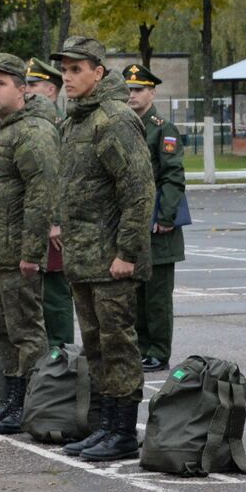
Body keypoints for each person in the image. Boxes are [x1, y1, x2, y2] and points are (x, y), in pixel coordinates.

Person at [49, 36, 155, 461]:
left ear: (98, 72)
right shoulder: (74, 121)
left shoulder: (114, 119)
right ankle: (106, 424)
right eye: (65, 70)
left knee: (118, 344)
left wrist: (127, 252)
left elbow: (138, 190)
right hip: (84, 258)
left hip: (112, 259)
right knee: (95, 346)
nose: (68, 78)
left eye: (77, 70)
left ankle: (123, 431)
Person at [0, 53, 59, 432]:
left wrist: (31, 253)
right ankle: (12, 398)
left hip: (15, 252)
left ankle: (34, 401)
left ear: (22, 89)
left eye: (1, 84)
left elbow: (41, 195)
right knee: (4, 331)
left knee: (26, 331)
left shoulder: (32, 131)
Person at [123, 63, 187, 371]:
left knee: (157, 296)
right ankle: (140, 346)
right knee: (136, 294)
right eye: (129, 90)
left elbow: (173, 176)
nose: (132, 95)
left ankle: (159, 351)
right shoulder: (125, 124)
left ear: (152, 92)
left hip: (159, 225)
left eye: (138, 90)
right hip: (134, 224)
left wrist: (165, 217)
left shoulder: (162, 128)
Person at [27, 56, 75, 347]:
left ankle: (61, 353)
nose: (27, 89)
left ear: (51, 91)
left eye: (33, 84)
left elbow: (63, 175)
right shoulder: (28, 124)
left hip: (52, 224)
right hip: (30, 221)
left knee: (55, 293)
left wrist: (56, 220)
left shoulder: (60, 125)